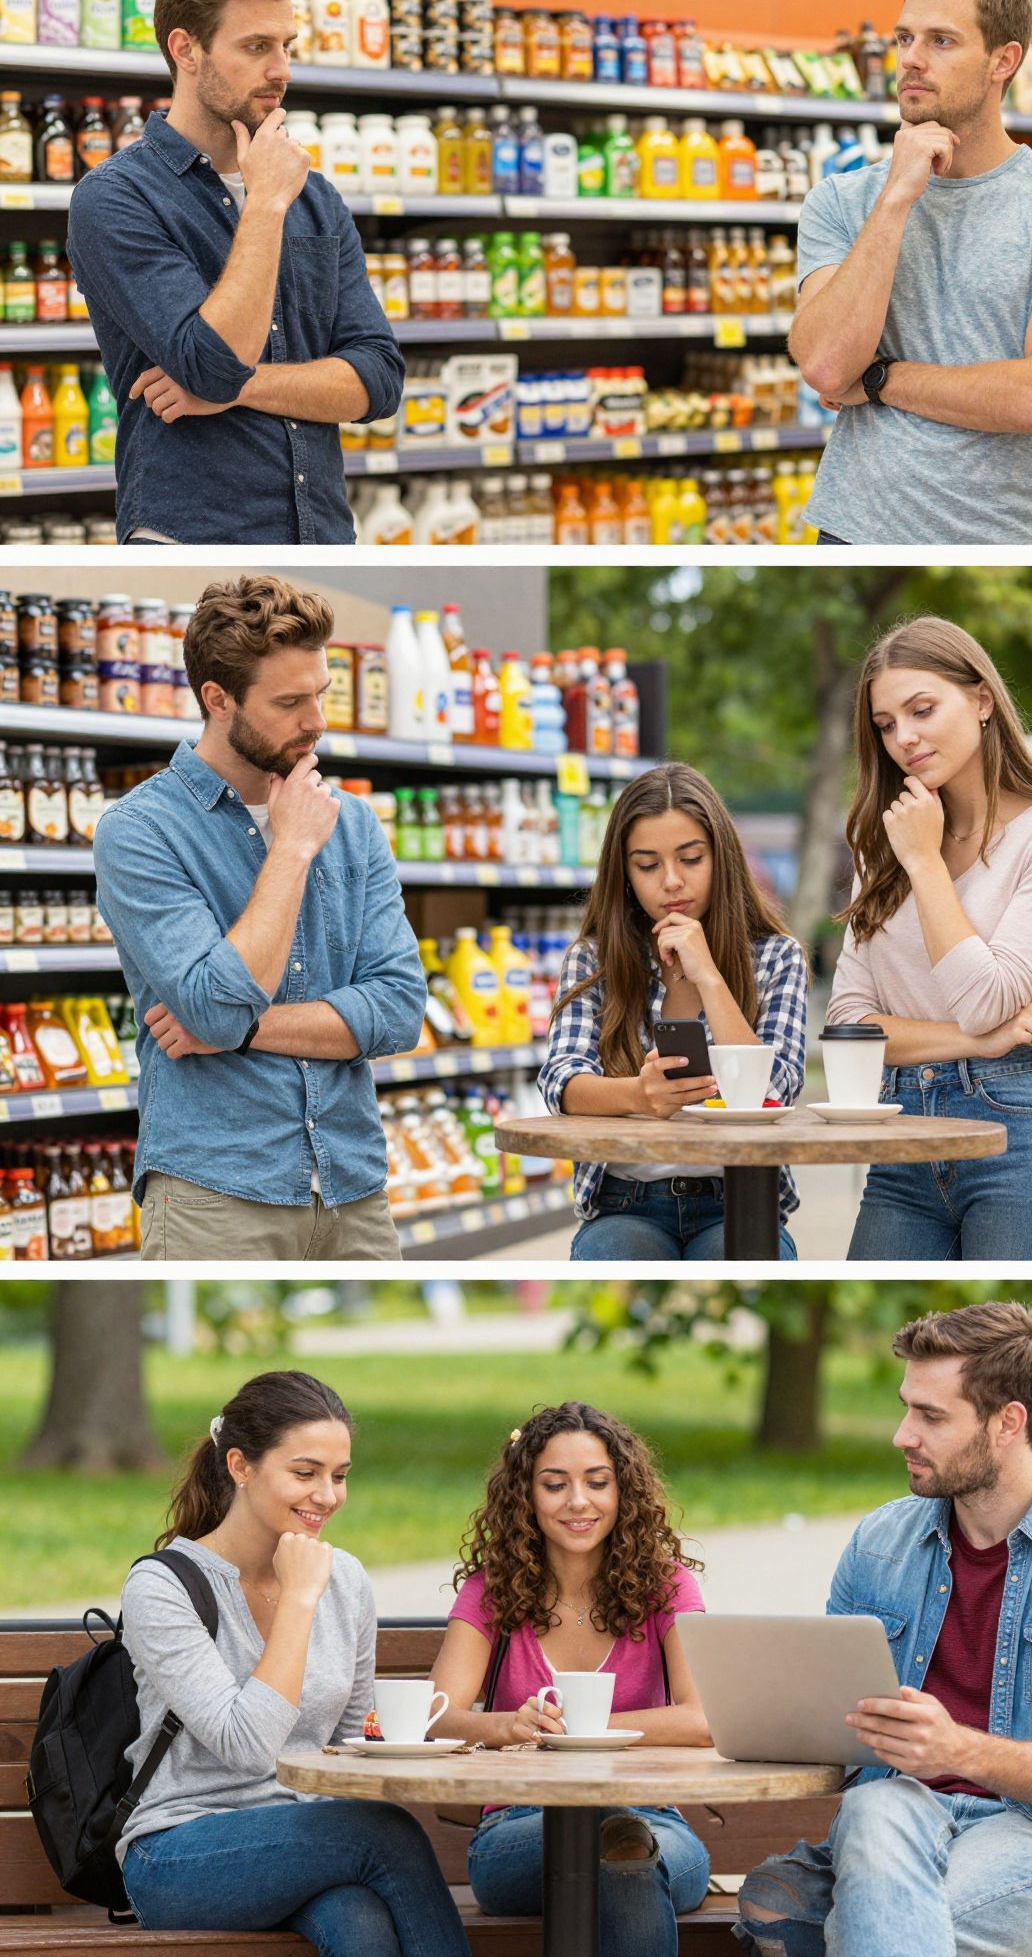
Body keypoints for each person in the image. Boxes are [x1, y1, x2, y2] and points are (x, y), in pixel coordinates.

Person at [737, 1302, 1032, 1957]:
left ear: (1008, 1423)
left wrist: (958, 1750)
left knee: (878, 1922)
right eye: (907, 1407)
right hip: (898, 1820)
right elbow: (830, 1723)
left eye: (930, 1416)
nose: (903, 1434)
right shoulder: (879, 1542)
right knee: (863, 1827)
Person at [92, 574, 426, 1260]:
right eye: (289, 702)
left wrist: (243, 1030)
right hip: (214, 1193)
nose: (318, 721)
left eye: (321, 693)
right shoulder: (138, 832)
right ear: (218, 700)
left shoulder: (355, 824)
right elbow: (214, 1006)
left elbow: (398, 1011)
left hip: (352, 1189)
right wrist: (293, 847)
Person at [117, 1369, 471, 1957]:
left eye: (339, 1476)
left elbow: (351, 1741)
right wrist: (299, 1601)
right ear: (240, 1466)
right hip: (179, 1852)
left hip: (307, 1843)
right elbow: (247, 1745)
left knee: (358, 1921)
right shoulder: (162, 1586)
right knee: (387, 1835)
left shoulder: (347, 1580)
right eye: (305, 1473)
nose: (327, 1496)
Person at [67, 0, 403, 544]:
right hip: (188, 542)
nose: (283, 70)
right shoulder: (116, 199)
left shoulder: (316, 196)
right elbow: (212, 366)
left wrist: (244, 388)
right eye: (256, 47)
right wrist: (266, 203)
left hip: (322, 537)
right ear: (185, 49)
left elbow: (379, 381)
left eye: (286, 46)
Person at [789, 0, 1032, 545]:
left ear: (1003, 61)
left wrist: (881, 380)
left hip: (1008, 538)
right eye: (905, 38)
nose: (911, 58)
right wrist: (895, 199)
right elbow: (827, 366)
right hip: (854, 533)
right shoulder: (841, 199)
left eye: (942, 40)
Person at [829, 615, 1032, 1259]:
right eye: (886, 724)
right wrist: (975, 1039)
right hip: (900, 1134)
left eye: (922, 710)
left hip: (1017, 1128)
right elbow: (848, 1024)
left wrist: (925, 863)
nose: (905, 737)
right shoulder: (886, 839)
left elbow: (986, 996)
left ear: (982, 699)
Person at [430, 1402, 712, 1957]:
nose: (578, 1502)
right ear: (526, 1496)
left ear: (623, 1492)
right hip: (519, 1827)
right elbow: (436, 1715)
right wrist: (509, 1725)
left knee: (623, 1840)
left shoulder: (666, 1587)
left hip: (653, 1818)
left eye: (597, 1483)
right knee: (616, 1843)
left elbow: (704, 1717)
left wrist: (578, 1730)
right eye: (555, 1484)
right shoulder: (493, 1590)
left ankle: (618, 1836)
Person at [538, 762, 807, 1260]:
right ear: (624, 874)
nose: (671, 882)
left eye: (690, 859)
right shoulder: (593, 959)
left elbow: (773, 1089)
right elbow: (561, 1083)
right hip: (626, 1201)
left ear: (721, 857)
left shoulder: (775, 956)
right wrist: (639, 1095)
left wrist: (708, 975)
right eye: (647, 865)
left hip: (739, 1198)